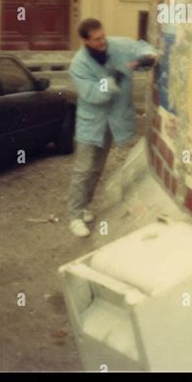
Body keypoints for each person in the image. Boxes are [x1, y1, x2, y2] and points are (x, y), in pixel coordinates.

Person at [67, 18, 157, 237]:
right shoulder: (79, 65)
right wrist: (113, 79)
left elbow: (142, 47)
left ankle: (86, 206)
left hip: (112, 121)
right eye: (96, 40)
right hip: (92, 122)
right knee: (83, 169)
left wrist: (147, 55)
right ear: (85, 40)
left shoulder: (118, 45)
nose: (102, 42)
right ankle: (75, 216)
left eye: (102, 36)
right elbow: (93, 94)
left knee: (97, 168)